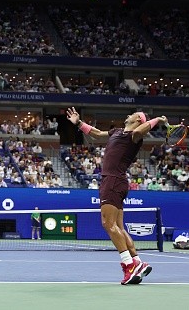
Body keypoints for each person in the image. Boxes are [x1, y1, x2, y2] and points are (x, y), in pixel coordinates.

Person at [66, 107, 167, 285]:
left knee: (108, 224)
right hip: (116, 182)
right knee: (119, 226)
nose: (129, 115)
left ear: (139, 120)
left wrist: (157, 120)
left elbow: (140, 130)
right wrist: (79, 123)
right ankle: (136, 262)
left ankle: (128, 265)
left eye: (134, 115)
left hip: (112, 181)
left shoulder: (134, 136)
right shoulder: (117, 132)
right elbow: (97, 134)